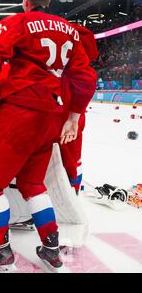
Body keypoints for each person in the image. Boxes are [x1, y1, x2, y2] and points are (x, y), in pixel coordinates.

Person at [0, 0, 96, 271]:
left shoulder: (17, 22)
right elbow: (85, 78)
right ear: (48, 1)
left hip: (22, 111)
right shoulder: (71, 31)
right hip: (52, 116)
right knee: (32, 183)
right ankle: (51, 247)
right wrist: (74, 117)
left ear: (25, 1)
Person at [60, 24, 99, 194]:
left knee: (70, 157)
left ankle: (72, 191)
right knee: (73, 156)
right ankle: (73, 189)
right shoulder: (78, 67)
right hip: (73, 116)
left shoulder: (72, 69)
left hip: (68, 117)